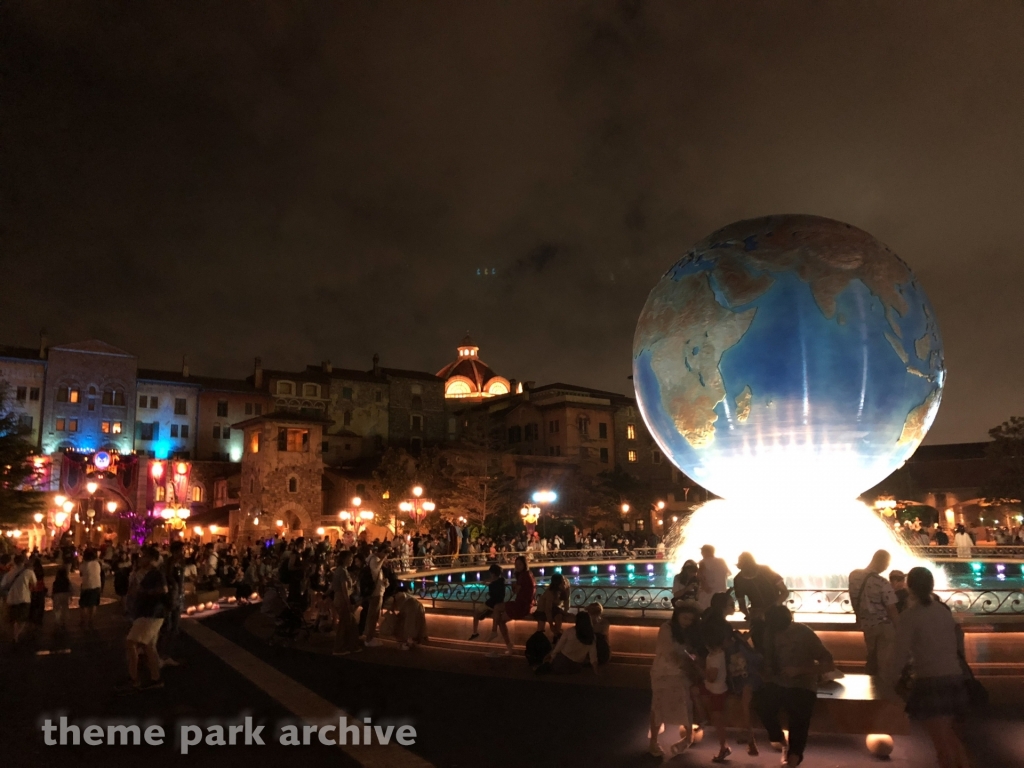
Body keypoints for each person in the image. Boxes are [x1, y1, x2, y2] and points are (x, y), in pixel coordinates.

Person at [888, 567, 970, 768]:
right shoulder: (942, 611)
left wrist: (889, 679)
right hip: (954, 678)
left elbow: (899, 654)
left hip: (930, 681)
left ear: (909, 587)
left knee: (941, 744)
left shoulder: (910, 616)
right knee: (949, 737)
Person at [756, 605, 835, 767]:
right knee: (761, 704)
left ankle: (793, 758)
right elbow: (768, 662)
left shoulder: (804, 633)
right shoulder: (769, 633)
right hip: (778, 682)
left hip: (803, 684)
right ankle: (778, 737)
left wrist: (799, 670)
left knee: (799, 716)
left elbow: (828, 664)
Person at [649, 601, 702, 758]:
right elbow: (669, 651)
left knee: (685, 703)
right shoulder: (667, 628)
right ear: (677, 616)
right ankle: (653, 741)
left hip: (680, 673)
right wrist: (688, 661)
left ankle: (688, 737)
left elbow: (689, 653)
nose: (687, 622)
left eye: (690, 619)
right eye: (684, 618)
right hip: (663, 672)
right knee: (658, 705)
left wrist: (693, 660)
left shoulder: (690, 632)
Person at [848, 549, 899, 684]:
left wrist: (859, 617)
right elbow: (892, 609)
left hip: (867, 625)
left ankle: (871, 686)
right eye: (887, 564)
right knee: (884, 662)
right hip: (884, 627)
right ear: (883, 562)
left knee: (872, 656)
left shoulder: (854, 576)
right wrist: (900, 629)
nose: (887, 567)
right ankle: (883, 691)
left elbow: (853, 599)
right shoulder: (882, 583)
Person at [120, 547, 167, 692]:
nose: (140, 558)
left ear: (151, 559)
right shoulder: (147, 573)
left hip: (150, 614)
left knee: (130, 643)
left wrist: (144, 592)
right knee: (149, 646)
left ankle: (133, 679)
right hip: (151, 614)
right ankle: (155, 678)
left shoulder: (156, 573)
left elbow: (164, 590)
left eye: (143, 556)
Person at [732, 552, 788, 649]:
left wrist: (773, 607)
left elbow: (784, 592)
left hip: (776, 612)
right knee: (760, 643)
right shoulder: (738, 579)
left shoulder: (766, 571)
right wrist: (749, 615)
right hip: (757, 615)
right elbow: (742, 604)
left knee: (778, 643)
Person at [489, 555, 535, 655]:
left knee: (497, 607)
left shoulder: (523, 576)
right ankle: (509, 647)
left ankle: (494, 632)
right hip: (526, 605)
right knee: (500, 620)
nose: (517, 566)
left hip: (521, 605)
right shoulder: (529, 574)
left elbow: (516, 591)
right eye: (516, 564)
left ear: (524, 564)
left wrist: (514, 587)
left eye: (520, 564)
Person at [702, 622, 731, 763]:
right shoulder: (720, 653)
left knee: (717, 720)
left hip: (716, 691)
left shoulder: (714, 658)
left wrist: (698, 668)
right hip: (716, 690)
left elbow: (711, 677)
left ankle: (723, 746)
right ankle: (704, 720)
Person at [1, 554, 37, 643]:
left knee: (13, 619)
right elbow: (34, 583)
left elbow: (2, 585)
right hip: (24, 598)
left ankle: (14, 634)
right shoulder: (29, 572)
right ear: (24, 561)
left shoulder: (9, 573)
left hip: (12, 599)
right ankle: (16, 635)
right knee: (22, 619)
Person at [331, 552, 360, 655]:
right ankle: (338, 648)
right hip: (342, 599)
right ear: (343, 559)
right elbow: (344, 589)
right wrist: (349, 604)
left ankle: (350, 645)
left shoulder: (340, 570)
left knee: (350, 623)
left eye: (352, 558)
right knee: (344, 624)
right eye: (349, 558)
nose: (351, 560)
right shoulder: (342, 571)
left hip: (339, 598)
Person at [469, 564, 505, 640]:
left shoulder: (492, 585)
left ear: (493, 573)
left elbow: (492, 594)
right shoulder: (502, 581)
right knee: (482, 612)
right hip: (499, 603)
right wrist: (489, 582)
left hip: (491, 604)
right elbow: (495, 581)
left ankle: (475, 632)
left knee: (476, 612)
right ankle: (486, 613)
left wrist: (488, 584)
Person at [362, 543, 389, 647]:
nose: (386, 556)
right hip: (376, 592)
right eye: (385, 553)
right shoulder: (374, 560)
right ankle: (369, 639)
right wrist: (383, 559)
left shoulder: (372, 559)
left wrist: (384, 581)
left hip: (377, 590)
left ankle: (369, 636)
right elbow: (375, 570)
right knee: (373, 615)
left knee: (372, 615)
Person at [697, 544, 732, 610]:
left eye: (702, 551)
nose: (701, 553)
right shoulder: (722, 561)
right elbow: (728, 573)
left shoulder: (703, 562)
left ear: (706, 552)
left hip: (708, 592)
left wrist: (704, 586)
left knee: (706, 611)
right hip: (722, 592)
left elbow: (700, 576)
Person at [535, 573, 570, 637]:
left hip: (554, 607)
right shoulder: (550, 592)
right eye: (561, 582)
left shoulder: (566, 586)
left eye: (563, 581)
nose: (563, 584)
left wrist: (565, 611)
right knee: (541, 624)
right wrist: (551, 623)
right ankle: (556, 635)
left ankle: (556, 635)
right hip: (542, 609)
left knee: (559, 617)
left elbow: (566, 600)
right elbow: (548, 608)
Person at [79, 547, 103, 630]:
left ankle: (84, 621)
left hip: (87, 586)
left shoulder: (84, 565)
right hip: (97, 585)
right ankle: (91, 620)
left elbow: (81, 574)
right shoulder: (97, 564)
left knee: (84, 604)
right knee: (93, 604)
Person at [51, 561, 72, 633]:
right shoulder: (66, 580)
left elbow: (54, 589)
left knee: (57, 609)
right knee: (65, 608)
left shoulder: (56, 581)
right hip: (65, 594)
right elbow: (70, 588)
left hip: (57, 594)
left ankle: (57, 622)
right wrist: (71, 595)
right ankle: (64, 622)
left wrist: (52, 595)